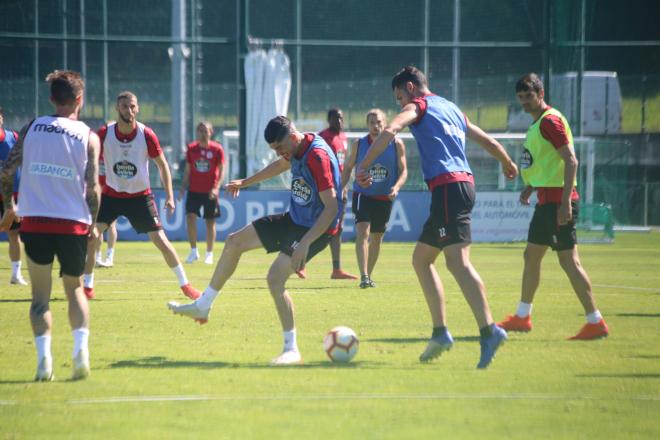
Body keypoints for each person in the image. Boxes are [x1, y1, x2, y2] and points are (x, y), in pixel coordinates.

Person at [356, 66, 518, 368]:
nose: (399, 103)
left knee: (458, 262)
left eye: (399, 97)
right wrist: (506, 161)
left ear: (410, 88)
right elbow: (488, 142)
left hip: (448, 188)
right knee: (421, 259)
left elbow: (391, 130)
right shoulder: (453, 108)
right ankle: (441, 333)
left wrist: (363, 165)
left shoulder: (419, 105)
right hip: (462, 186)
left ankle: (489, 330)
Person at [168, 116, 342, 365]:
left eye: (280, 148)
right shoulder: (295, 148)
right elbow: (281, 166)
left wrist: (305, 243)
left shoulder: (317, 156)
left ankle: (291, 349)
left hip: (317, 229)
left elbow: (332, 208)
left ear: (292, 138)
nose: (280, 153)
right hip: (296, 219)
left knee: (274, 279)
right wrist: (245, 182)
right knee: (234, 242)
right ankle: (203, 304)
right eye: (275, 150)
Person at [0, 70, 100, 381]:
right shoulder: (88, 136)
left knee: (40, 298)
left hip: (36, 223)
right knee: (74, 291)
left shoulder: (31, 128)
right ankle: (80, 352)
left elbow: (6, 170)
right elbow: (94, 186)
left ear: (51, 98)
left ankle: (44, 361)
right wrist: (94, 223)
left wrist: (8, 208)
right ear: (79, 100)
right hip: (73, 225)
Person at [497, 73, 609, 340]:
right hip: (546, 201)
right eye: (521, 98)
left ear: (541, 94)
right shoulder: (539, 123)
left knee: (569, 261)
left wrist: (564, 204)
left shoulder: (550, 122)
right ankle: (522, 316)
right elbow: (549, 164)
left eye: (529, 96)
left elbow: (571, 161)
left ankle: (595, 321)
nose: (525, 102)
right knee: (532, 256)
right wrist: (532, 186)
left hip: (557, 203)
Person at [82, 91, 200, 300]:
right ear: (117, 109)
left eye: (133, 106)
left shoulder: (146, 134)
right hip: (111, 194)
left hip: (140, 197)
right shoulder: (104, 133)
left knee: (161, 240)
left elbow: (163, 166)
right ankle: (88, 286)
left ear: (138, 108)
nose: (129, 110)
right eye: (125, 106)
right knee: (92, 237)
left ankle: (186, 285)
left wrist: (171, 197)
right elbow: (88, 159)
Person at [341, 108, 407, 288]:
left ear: (385, 123)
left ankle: (368, 275)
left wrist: (397, 186)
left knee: (377, 237)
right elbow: (348, 168)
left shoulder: (396, 144)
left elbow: (404, 171)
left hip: (384, 197)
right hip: (363, 194)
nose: (376, 126)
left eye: (379, 122)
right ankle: (363, 276)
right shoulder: (359, 144)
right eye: (372, 122)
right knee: (363, 231)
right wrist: (342, 188)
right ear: (367, 125)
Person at [317, 108, 357, 280]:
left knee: (337, 229)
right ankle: (298, 262)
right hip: (325, 189)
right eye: (335, 118)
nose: (339, 121)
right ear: (329, 120)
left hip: (341, 188)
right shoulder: (322, 137)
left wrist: (345, 185)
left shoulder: (344, 137)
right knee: (314, 225)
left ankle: (336, 269)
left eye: (341, 117)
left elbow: (345, 165)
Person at [178, 121, 226, 265]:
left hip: (210, 191)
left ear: (211, 133)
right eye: (200, 131)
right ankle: (193, 251)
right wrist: (182, 188)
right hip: (194, 190)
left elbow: (222, 170)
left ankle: (209, 254)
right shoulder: (191, 149)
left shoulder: (217, 149)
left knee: (210, 221)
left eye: (205, 131)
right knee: (190, 217)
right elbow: (188, 171)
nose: (202, 134)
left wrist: (216, 187)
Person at [0, 107, 28, 285]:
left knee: (14, 235)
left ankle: (16, 274)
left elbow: (25, 166)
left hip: (13, 194)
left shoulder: (14, 138)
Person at [95, 151, 117, 268]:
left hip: (110, 192)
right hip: (96, 192)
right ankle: (97, 256)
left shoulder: (112, 152)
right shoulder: (94, 153)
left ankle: (109, 256)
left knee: (111, 225)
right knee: (97, 226)